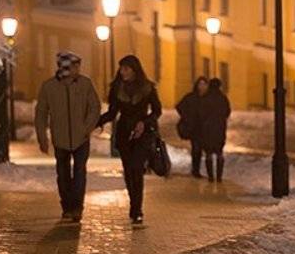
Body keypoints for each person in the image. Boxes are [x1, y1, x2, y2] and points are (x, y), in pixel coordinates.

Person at [33, 50, 103, 222]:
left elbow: (95, 107)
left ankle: (77, 207)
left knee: (79, 173)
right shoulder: (49, 87)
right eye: (74, 65)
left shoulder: (85, 84)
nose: (78, 69)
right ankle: (67, 207)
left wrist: (86, 128)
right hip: (60, 138)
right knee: (63, 174)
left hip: (81, 139)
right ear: (65, 67)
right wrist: (42, 137)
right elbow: (41, 113)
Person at [99, 54, 162, 225]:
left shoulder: (148, 88)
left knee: (136, 168)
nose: (122, 71)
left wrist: (145, 122)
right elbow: (113, 113)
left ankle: (137, 209)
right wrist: (96, 122)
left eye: (125, 68)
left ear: (134, 70)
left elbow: (157, 111)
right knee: (128, 170)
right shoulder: (117, 88)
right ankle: (134, 205)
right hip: (125, 133)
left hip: (142, 133)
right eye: (121, 68)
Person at [198, 76, 232, 182]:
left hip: (207, 129)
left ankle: (211, 177)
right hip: (220, 129)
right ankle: (219, 177)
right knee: (219, 153)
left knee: (208, 153)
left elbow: (201, 113)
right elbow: (227, 111)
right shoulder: (223, 98)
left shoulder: (205, 98)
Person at [176, 76, 209, 178]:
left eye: (204, 84)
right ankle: (195, 171)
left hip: (206, 127)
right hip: (194, 128)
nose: (202, 87)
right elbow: (179, 106)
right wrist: (187, 117)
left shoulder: (209, 98)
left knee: (206, 149)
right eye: (200, 84)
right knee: (196, 149)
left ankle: (208, 172)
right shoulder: (191, 97)